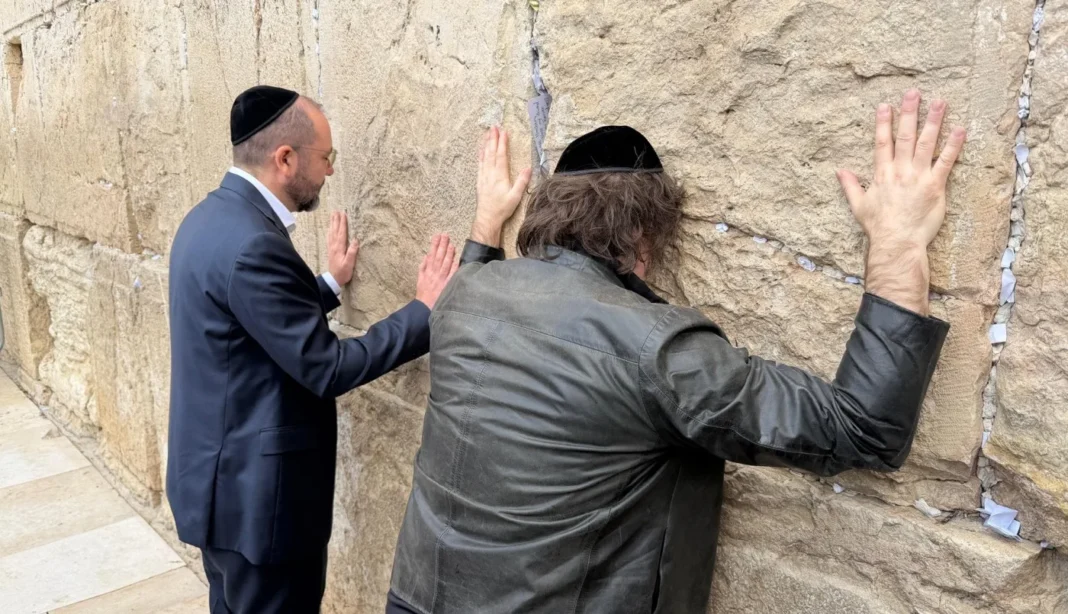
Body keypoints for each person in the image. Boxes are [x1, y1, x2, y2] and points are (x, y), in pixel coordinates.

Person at [386, 89, 964, 613]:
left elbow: (477, 282)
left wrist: (486, 223)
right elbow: (862, 428)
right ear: (644, 238)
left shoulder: (462, 295)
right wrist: (896, 242)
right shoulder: (655, 348)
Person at [166, 85, 458, 614]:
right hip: (259, 506)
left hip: (217, 492)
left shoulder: (205, 221)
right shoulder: (254, 242)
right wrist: (422, 311)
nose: (328, 171)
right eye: (326, 157)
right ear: (285, 158)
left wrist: (325, 283)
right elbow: (326, 367)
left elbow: (245, 322)